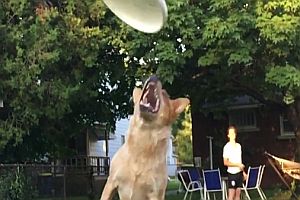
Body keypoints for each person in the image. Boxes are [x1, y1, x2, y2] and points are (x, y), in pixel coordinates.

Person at [223, 125, 247, 200]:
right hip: (232, 174)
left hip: (239, 173)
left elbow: (240, 161)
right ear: (228, 135)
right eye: (231, 134)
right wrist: (236, 164)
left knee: (238, 195)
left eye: (234, 133)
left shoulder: (238, 146)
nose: (232, 135)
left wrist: (243, 172)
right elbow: (225, 162)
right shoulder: (227, 147)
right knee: (231, 196)